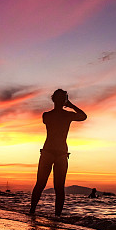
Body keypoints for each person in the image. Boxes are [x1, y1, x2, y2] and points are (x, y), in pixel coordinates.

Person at [29, 89, 87, 217]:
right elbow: (82, 116)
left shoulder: (55, 115)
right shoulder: (50, 115)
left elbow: (84, 117)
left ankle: (56, 216)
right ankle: (33, 212)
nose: (61, 100)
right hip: (50, 152)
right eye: (60, 98)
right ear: (54, 99)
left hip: (59, 153)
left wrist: (70, 105)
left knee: (57, 187)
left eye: (63, 98)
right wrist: (70, 105)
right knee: (42, 184)